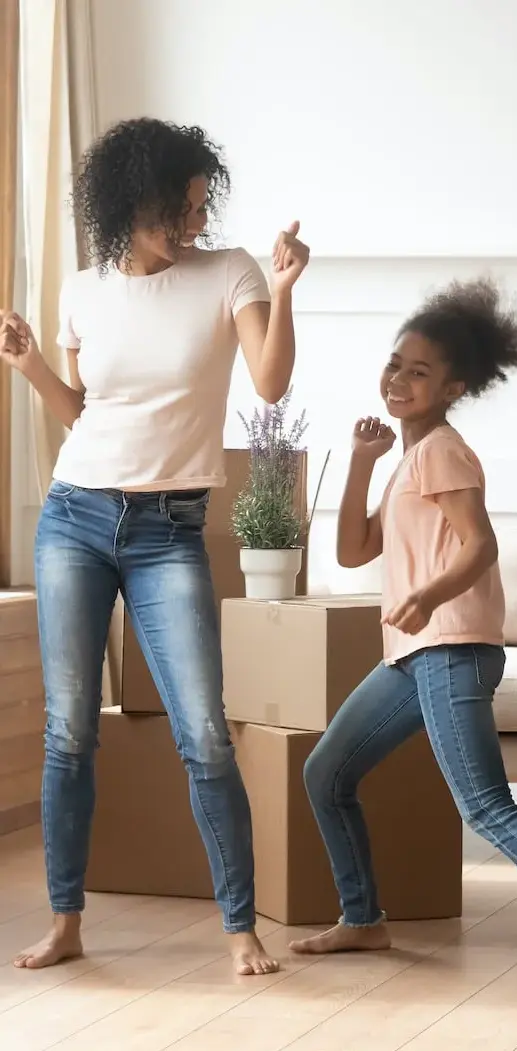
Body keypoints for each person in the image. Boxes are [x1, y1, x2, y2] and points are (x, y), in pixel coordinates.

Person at [0, 117, 309, 975]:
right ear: (127, 204)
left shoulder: (230, 271)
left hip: (169, 531)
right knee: (68, 733)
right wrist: (30, 368)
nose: (193, 225)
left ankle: (239, 926)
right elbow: (85, 413)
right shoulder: (84, 289)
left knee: (204, 733)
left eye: (199, 207)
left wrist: (282, 291)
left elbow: (272, 384)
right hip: (74, 518)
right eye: (177, 210)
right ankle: (66, 920)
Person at [287, 279, 517, 983]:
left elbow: (478, 546)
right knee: (326, 772)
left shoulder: (443, 450)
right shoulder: (410, 459)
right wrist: (362, 460)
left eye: (419, 371)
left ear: (453, 386)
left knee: (485, 808)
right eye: (395, 363)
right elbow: (354, 550)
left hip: (448, 647)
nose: (398, 378)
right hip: (415, 655)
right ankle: (362, 918)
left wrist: (425, 594)